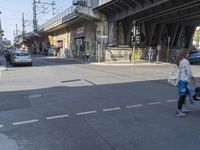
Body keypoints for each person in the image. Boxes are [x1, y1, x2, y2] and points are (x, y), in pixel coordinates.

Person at [175, 50, 196, 116]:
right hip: (183, 81)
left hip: (180, 80)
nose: (188, 54)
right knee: (182, 96)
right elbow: (189, 72)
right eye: (187, 53)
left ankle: (183, 108)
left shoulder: (180, 60)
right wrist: (192, 78)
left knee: (184, 94)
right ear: (184, 54)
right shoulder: (186, 61)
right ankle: (178, 111)